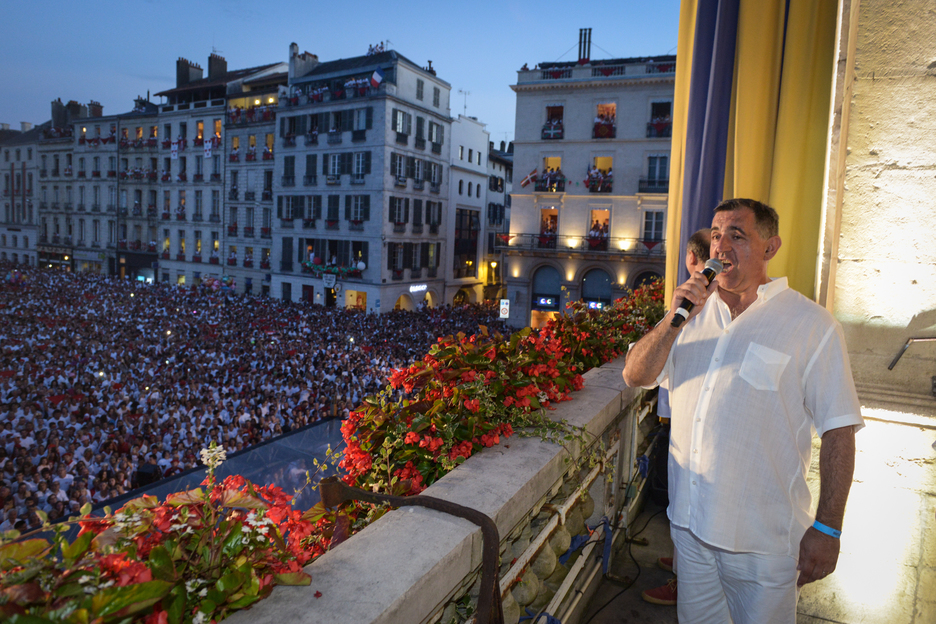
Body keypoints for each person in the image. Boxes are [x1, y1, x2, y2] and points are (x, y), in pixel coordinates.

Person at [622, 198, 863, 623]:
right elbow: (635, 374)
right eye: (716, 235)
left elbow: (839, 430)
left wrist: (828, 528)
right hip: (690, 533)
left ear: (770, 247)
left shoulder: (812, 325)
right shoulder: (691, 314)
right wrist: (674, 319)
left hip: (763, 545)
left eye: (737, 235)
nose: (721, 246)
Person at [640, 227, 711, 607]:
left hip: (695, 432)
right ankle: (684, 564)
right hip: (682, 419)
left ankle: (684, 580)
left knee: (688, 499)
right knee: (681, 500)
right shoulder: (686, 310)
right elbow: (636, 373)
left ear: (690, 259)